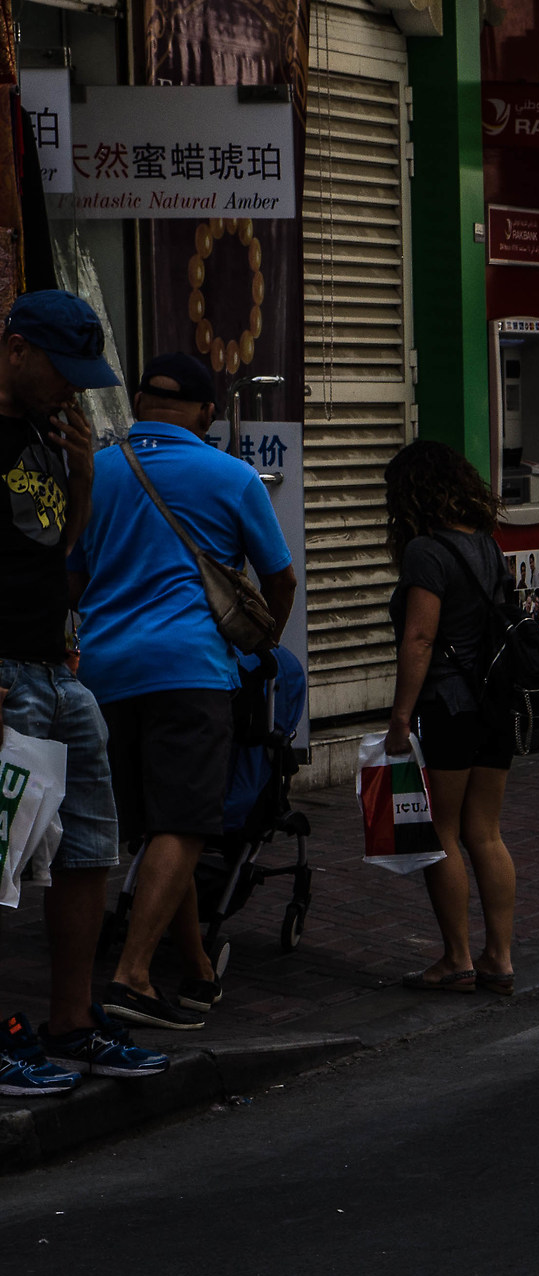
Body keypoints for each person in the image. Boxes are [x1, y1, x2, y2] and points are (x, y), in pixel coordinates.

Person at [74, 350, 297, 1031]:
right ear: (206, 413)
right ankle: (132, 976)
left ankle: (196, 969)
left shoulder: (98, 471)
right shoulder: (230, 476)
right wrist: (259, 645)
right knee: (188, 822)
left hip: (104, 674)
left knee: (154, 827)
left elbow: (75, 572)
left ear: (139, 404)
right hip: (190, 669)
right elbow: (279, 577)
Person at [0, 291, 169, 1091]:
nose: (72, 390)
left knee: (88, 844)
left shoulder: (46, 433)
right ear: (15, 350)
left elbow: (61, 559)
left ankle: (71, 1019)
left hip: (55, 668)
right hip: (4, 676)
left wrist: (81, 476)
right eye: (61, 372)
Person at [382, 440, 520, 996]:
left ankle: (456, 958)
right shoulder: (488, 545)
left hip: (447, 705)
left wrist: (399, 716)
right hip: (494, 705)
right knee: (485, 832)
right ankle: (499, 958)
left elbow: (420, 637)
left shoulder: (426, 552)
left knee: (440, 831)